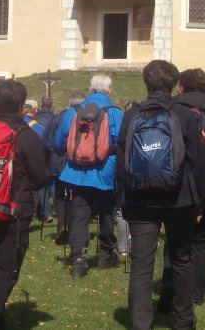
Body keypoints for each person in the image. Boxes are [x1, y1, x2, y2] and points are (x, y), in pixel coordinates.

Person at [117, 60, 205, 330]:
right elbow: (198, 161)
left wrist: (123, 198)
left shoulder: (132, 116)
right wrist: (199, 202)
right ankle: (184, 321)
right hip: (180, 198)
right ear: (173, 83)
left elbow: (122, 159)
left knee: (142, 265)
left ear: (145, 83)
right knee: (181, 258)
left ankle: (141, 324)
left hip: (140, 199)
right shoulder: (187, 115)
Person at [0, 80, 50, 330]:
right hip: (13, 210)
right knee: (6, 270)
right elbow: (40, 177)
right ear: (21, 106)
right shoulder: (26, 136)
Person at [158, 67, 205, 311]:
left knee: (175, 239)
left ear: (182, 87)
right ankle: (196, 292)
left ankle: (169, 289)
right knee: (199, 240)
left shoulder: (173, 110)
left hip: (178, 185)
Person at [52, 75, 123, 278]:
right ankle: (106, 253)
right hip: (105, 172)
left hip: (77, 173)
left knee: (80, 213)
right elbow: (122, 142)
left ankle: (78, 258)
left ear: (90, 89)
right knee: (107, 213)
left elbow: (58, 142)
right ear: (109, 90)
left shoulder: (74, 111)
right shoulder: (115, 112)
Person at [45, 92, 84, 245]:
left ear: (69, 103)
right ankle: (73, 228)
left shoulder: (58, 118)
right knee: (77, 195)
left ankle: (62, 226)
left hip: (59, 161)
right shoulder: (89, 117)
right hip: (79, 162)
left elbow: (47, 141)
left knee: (61, 196)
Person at [33, 97, 55, 223]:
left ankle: (45, 212)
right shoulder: (55, 118)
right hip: (51, 154)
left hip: (38, 154)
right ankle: (55, 207)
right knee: (51, 181)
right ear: (52, 106)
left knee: (41, 183)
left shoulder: (35, 120)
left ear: (41, 105)